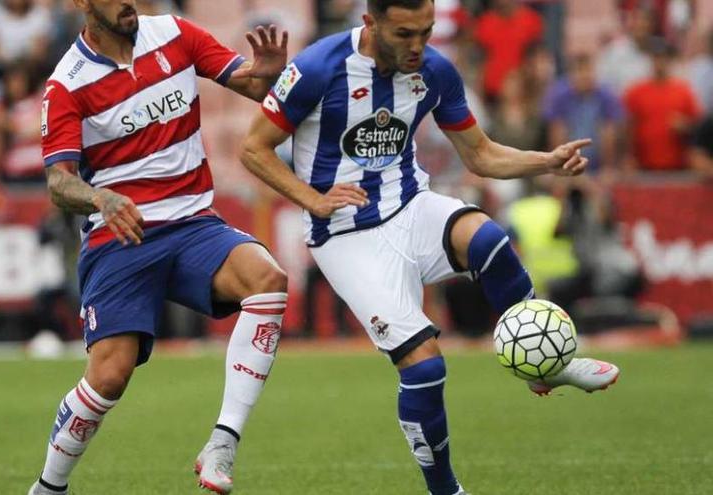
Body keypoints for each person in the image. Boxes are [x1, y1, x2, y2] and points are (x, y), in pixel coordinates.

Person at [239, 1, 620, 494]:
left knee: (488, 239)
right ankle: (446, 490)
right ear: (370, 23)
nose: (417, 45)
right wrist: (312, 199)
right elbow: (252, 148)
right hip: (345, 235)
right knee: (426, 366)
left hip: (409, 204)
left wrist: (546, 161)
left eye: (426, 31)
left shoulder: (435, 69)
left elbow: (480, 155)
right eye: (404, 34)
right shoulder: (317, 67)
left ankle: (546, 365)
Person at [29, 1, 289, 494]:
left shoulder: (174, 33)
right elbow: (58, 184)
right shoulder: (68, 82)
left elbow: (250, 83)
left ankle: (223, 441)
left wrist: (268, 75)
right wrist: (99, 197)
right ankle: (48, 487)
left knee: (268, 281)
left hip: (193, 223)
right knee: (109, 377)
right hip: (119, 236)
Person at [623, 38, 702, 172]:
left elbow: (699, 128)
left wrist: (686, 125)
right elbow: (627, 128)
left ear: (669, 60)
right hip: (643, 166)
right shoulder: (636, 91)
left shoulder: (683, 91)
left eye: (663, 58)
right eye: (656, 58)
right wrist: (628, 157)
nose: (659, 62)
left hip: (678, 165)